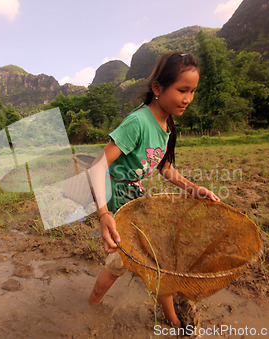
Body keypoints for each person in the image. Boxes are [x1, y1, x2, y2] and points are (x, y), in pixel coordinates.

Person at [87, 52, 220, 328]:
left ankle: (170, 317)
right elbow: (98, 166)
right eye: (182, 90)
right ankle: (91, 307)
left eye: (192, 91)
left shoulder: (167, 124)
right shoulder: (138, 122)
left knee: (157, 256)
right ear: (158, 88)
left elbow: (165, 167)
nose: (188, 98)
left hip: (133, 194)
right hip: (116, 197)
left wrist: (194, 189)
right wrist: (103, 215)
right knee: (119, 262)